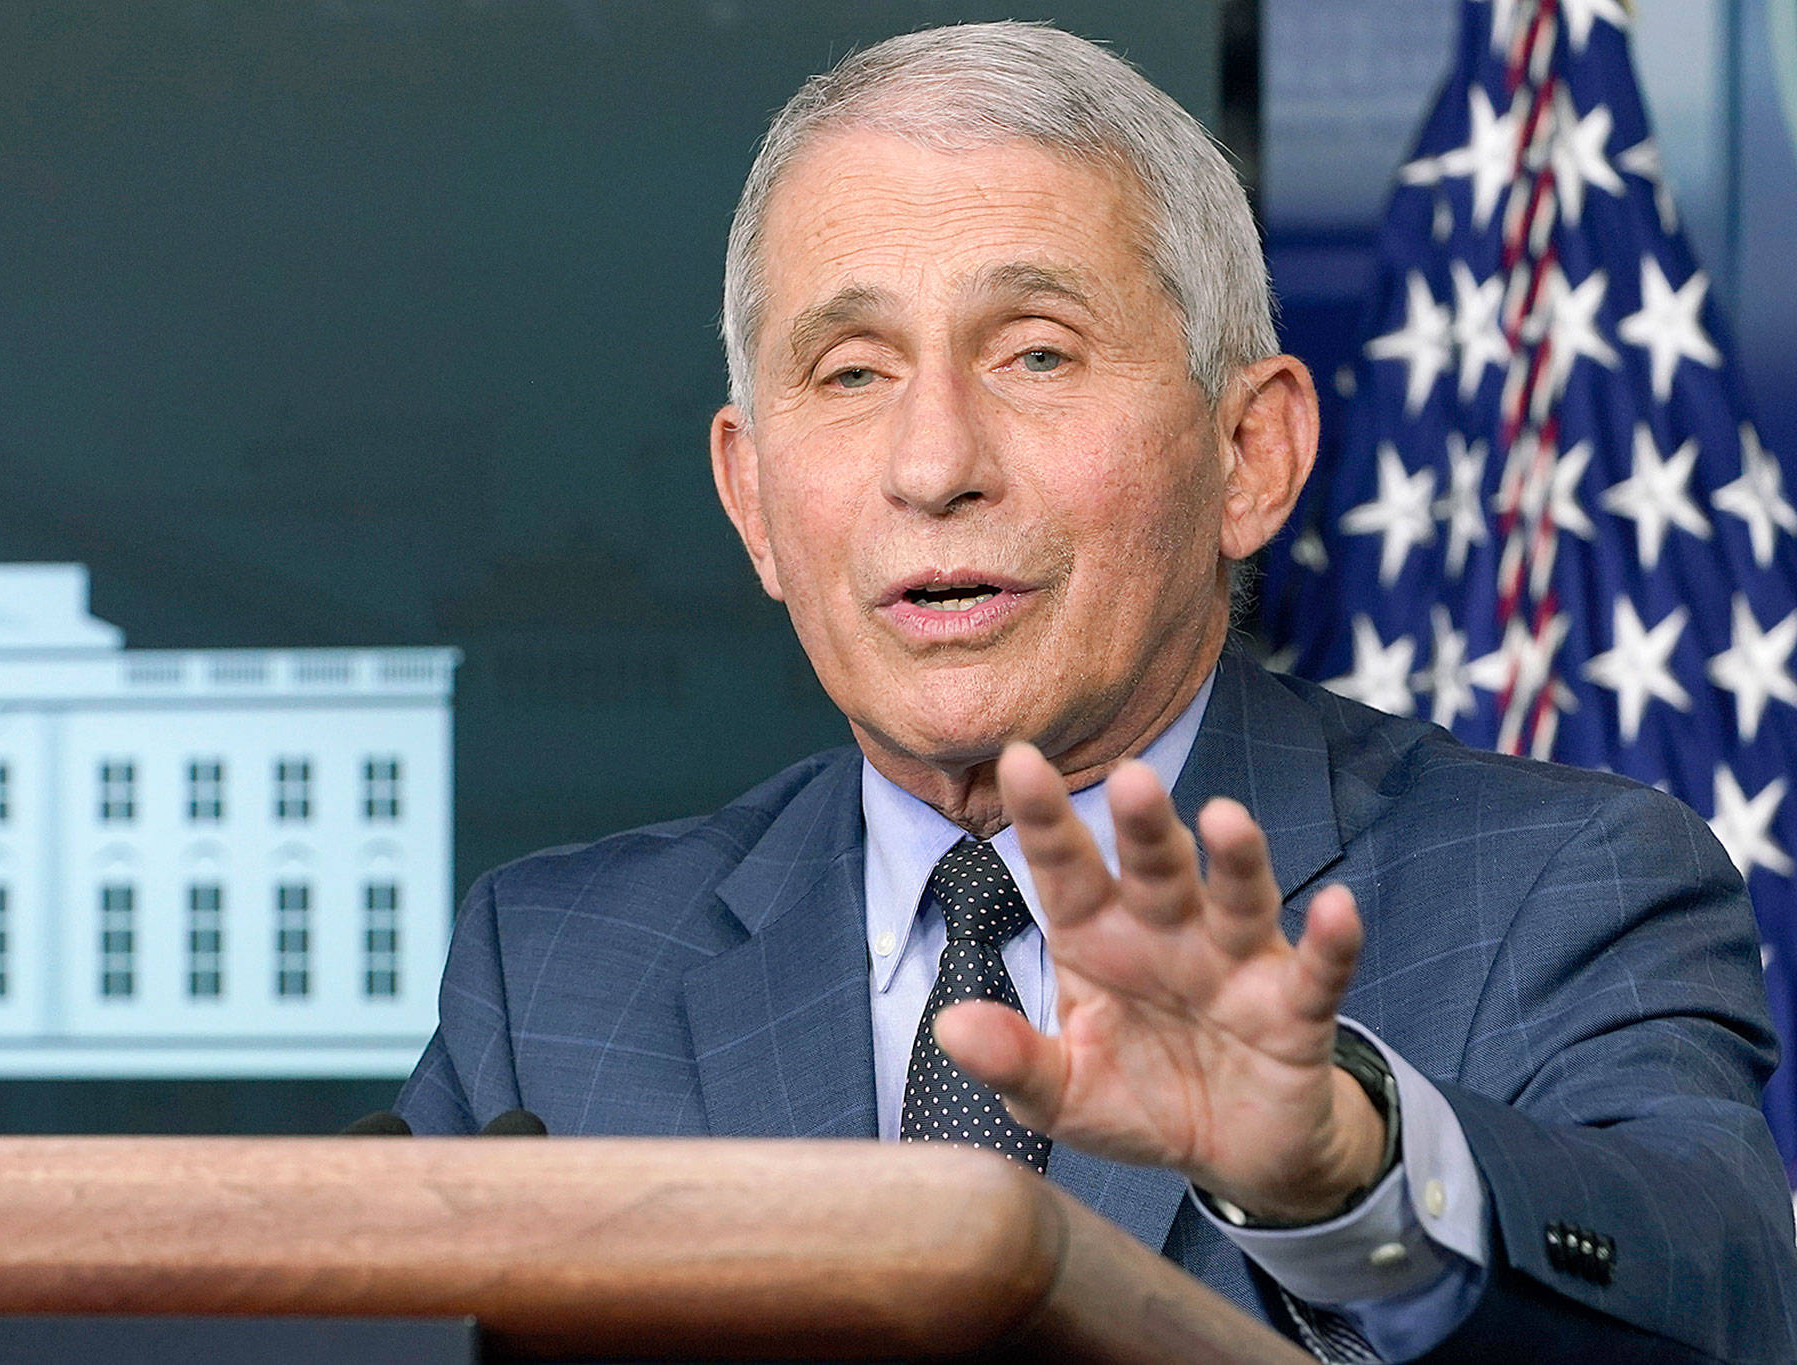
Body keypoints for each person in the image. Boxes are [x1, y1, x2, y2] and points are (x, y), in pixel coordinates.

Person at [398, 22, 1797, 1360]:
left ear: (1251, 454)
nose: (933, 462)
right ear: (752, 500)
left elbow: (1724, 1303)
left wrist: (1342, 1175)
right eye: (852, 370)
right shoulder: (554, 970)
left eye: (1037, 353)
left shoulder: (1564, 885)